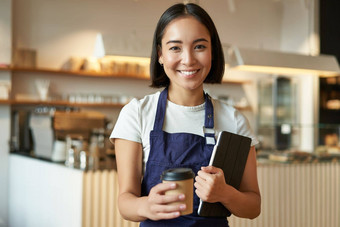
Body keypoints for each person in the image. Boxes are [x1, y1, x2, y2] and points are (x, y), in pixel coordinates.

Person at [110, 3, 261, 226]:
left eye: (199, 46)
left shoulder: (234, 121)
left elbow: (253, 206)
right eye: (175, 48)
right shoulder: (137, 114)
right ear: (160, 54)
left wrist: (225, 193)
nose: (188, 59)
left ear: (213, 52)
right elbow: (125, 202)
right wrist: (146, 206)